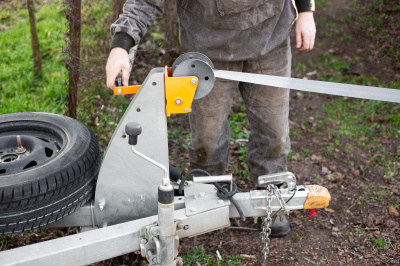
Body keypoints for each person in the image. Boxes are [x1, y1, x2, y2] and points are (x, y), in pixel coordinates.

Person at [106, 0, 316, 237]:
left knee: (274, 133)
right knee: (207, 138)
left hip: (271, 40)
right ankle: (206, 196)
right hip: (208, 49)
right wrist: (122, 44)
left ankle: (273, 194)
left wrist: (306, 11)